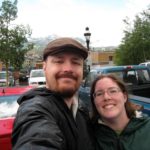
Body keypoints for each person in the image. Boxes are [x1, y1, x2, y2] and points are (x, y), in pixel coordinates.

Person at [12, 37, 94, 150]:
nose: (68, 69)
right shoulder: (35, 109)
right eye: (59, 61)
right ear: (44, 67)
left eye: (76, 62)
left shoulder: (81, 109)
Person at [90, 74, 150, 150]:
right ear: (94, 101)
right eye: (99, 94)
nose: (106, 97)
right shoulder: (87, 135)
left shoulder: (147, 127)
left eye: (113, 91)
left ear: (124, 97)